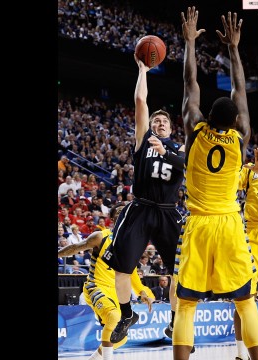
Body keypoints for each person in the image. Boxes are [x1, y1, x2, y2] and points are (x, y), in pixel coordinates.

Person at [172, 7, 258, 360]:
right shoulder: (241, 138)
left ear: (206, 117)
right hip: (229, 225)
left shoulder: (194, 132)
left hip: (198, 224)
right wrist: (234, 49)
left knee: (186, 304)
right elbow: (241, 88)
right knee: (245, 301)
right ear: (236, 121)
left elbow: (190, 84)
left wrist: (190, 43)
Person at [101, 48, 186, 344]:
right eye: (156, 121)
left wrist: (168, 153)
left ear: (172, 129)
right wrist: (143, 72)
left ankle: (176, 322)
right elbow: (140, 101)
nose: (159, 124)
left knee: (179, 272)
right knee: (121, 267)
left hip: (168, 211)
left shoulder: (180, 150)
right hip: (140, 208)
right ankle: (127, 314)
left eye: (164, 122)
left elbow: (188, 167)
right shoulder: (143, 142)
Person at [57, 205, 154, 360]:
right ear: (114, 218)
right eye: (119, 211)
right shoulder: (100, 237)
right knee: (114, 316)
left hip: (116, 292)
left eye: (126, 210)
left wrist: (142, 291)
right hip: (96, 286)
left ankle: (94, 358)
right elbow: (76, 247)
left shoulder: (132, 244)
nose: (124, 212)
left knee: (121, 338)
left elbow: (132, 273)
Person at [234, 147, 258, 360]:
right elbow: (231, 182)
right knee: (245, 297)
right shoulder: (250, 171)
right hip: (252, 236)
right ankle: (241, 354)